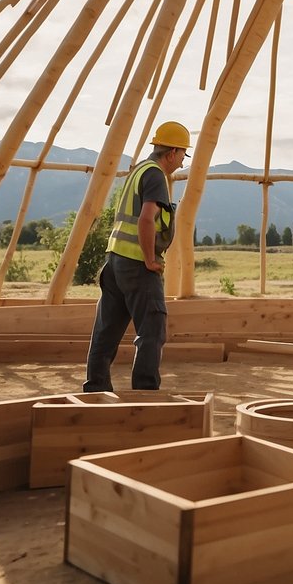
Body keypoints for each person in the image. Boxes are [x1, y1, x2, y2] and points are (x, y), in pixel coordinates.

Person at [83, 121, 189, 393]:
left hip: (115, 262)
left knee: (105, 332)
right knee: (152, 332)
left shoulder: (138, 170)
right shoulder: (155, 175)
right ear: (171, 153)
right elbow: (145, 220)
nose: (181, 161)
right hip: (137, 265)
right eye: (182, 155)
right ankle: (145, 394)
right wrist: (150, 259)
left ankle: (95, 391)